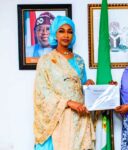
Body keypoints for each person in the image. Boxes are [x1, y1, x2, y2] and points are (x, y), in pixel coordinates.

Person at [33, 16, 95, 150]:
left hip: (79, 117)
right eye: (61, 31)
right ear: (55, 33)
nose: (66, 35)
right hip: (58, 118)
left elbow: (80, 87)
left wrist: (88, 84)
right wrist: (68, 103)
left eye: (70, 31)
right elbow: (42, 92)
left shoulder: (79, 60)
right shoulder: (46, 61)